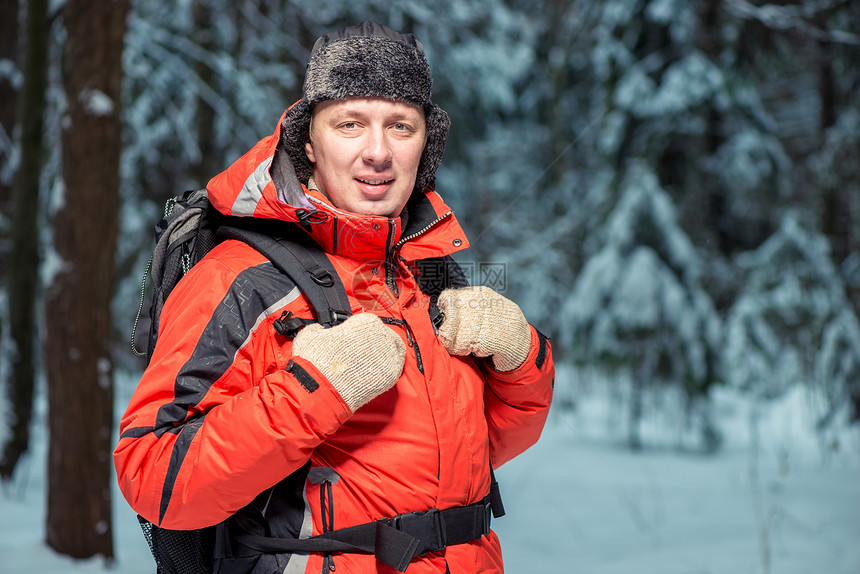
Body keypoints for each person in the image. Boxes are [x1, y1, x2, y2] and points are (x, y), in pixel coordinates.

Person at [114, 21, 554, 574]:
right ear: (309, 144)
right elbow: (151, 474)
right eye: (350, 123)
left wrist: (523, 363)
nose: (378, 152)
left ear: (427, 143)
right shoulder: (242, 278)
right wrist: (311, 392)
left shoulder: (430, 273)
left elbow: (475, 455)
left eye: (401, 126)